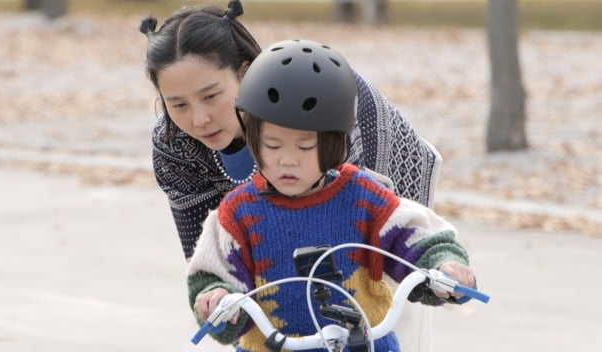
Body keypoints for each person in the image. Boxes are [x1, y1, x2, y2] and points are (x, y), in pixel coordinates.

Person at [187, 39, 475, 352]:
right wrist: (215, 299)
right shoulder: (237, 215)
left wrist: (444, 267)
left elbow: (419, 239)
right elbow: (211, 275)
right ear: (254, 140)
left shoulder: (365, 199)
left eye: (305, 146)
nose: (288, 159)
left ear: (335, 144)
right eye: (273, 144)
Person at [139, 0, 441, 261]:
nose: (199, 119)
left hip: (376, 184)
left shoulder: (309, 98)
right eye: (178, 105)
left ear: (244, 73)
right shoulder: (174, 144)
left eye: (211, 96)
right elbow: (203, 255)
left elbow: (349, 225)